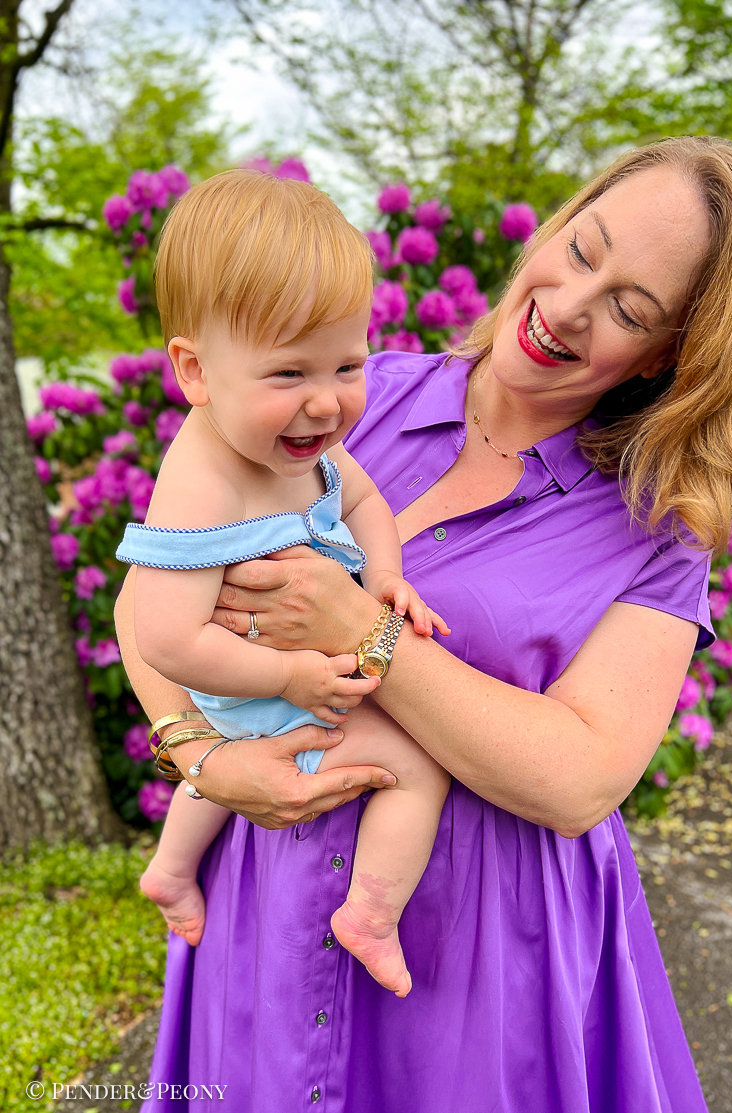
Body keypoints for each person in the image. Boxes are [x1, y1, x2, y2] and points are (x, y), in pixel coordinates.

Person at [116, 136, 732, 1112]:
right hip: (264, 900)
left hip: (477, 955)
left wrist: (363, 629)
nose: (568, 304)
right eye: (581, 249)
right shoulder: (348, 396)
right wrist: (203, 759)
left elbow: (580, 778)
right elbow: (150, 599)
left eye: (628, 309)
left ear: (670, 355)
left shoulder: (656, 528)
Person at [118, 169, 451, 999]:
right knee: (418, 763)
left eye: (347, 364)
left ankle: (170, 867)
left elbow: (364, 501)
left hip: (269, 678)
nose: (326, 403)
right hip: (253, 681)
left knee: (224, 762)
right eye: (288, 374)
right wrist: (289, 675)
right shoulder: (201, 483)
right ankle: (369, 913)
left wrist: (386, 576)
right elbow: (166, 637)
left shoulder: (299, 446)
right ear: (195, 371)